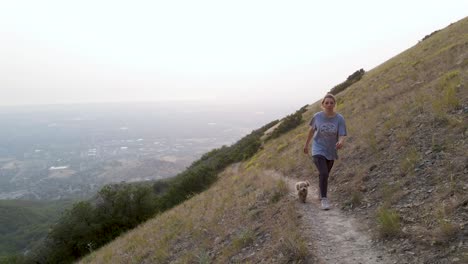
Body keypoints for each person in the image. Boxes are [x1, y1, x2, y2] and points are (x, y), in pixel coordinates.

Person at [303, 93, 347, 210]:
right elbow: (311, 131)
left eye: (331, 103)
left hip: (331, 150)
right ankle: (324, 199)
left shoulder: (339, 118)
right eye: (326, 103)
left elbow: (342, 134)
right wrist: (306, 145)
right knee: (324, 173)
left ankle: (320, 192)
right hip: (318, 148)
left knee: (324, 174)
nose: (329, 105)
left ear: (334, 104)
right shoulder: (317, 116)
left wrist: (341, 141)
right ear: (322, 104)